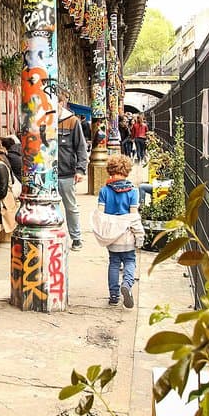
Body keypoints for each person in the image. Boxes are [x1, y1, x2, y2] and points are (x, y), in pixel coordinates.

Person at [96, 155, 145, 309]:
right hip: (127, 234)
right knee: (130, 261)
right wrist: (139, 236)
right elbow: (133, 216)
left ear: (110, 170)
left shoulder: (104, 191)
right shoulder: (133, 192)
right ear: (126, 171)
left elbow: (100, 215)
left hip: (112, 236)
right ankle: (127, 284)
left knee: (114, 263)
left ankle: (114, 296)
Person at [57, 90, 89, 251]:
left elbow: (81, 147)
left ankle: (76, 238)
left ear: (61, 103)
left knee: (71, 207)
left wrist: (80, 170)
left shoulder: (72, 121)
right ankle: (56, 237)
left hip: (67, 173)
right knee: (51, 208)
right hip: (48, 174)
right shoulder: (43, 120)